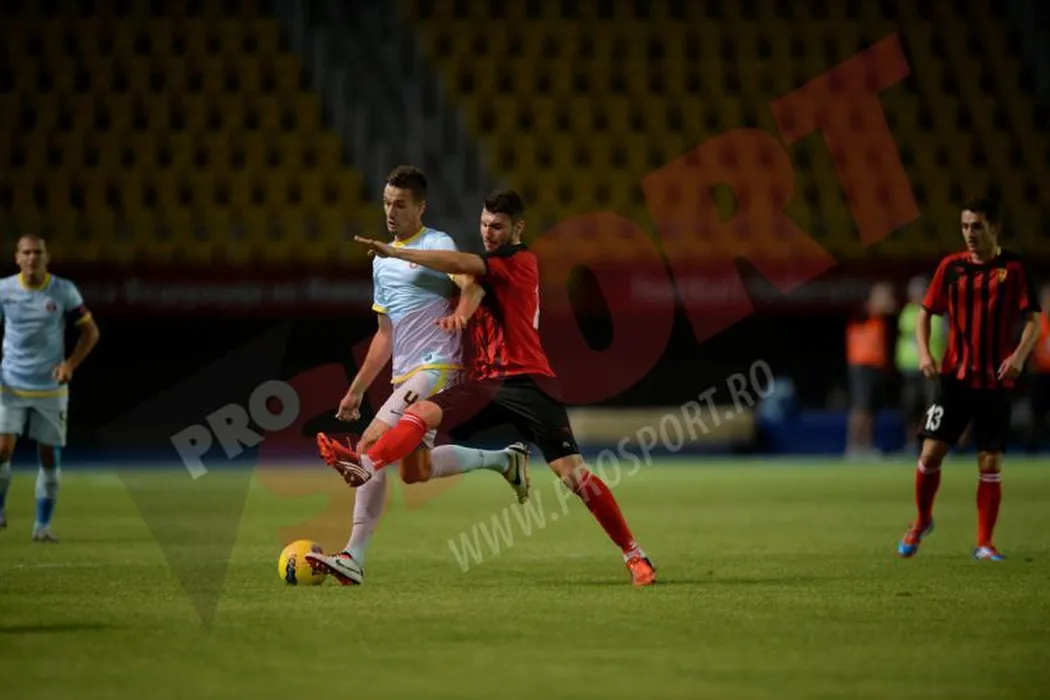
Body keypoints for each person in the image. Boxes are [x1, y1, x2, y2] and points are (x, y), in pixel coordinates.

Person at [317, 189, 656, 587]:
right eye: (483, 224)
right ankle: (371, 464)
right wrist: (460, 313)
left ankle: (634, 554)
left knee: (574, 476)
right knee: (420, 416)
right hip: (485, 384)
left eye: (497, 226)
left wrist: (397, 252)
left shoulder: (518, 260)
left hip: (529, 383)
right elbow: (471, 286)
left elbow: (459, 265)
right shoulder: (487, 268)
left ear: (517, 227)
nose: (488, 232)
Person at [306, 167, 530, 586]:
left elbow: (472, 282)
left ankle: (353, 556)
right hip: (405, 373)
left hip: (437, 366)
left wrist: (461, 313)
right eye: (386, 203)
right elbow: (384, 334)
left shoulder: (436, 243)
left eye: (400, 204)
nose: (391, 212)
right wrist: (356, 389)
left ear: (420, 207)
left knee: (369, 445)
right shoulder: (381, 262)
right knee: (415, 471)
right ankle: (505, 460)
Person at [899, 196, 1041, 561]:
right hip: (955, 380)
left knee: (990, 464)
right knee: (930, 455)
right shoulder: (951, 267)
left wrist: (1018, 357)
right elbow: (924, 312)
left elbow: (1033, 320)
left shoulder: (1013, 268)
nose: (969, 234)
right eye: (964, 226)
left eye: (976, 226)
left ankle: (983, 543)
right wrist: (925, 353)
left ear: (995, 227)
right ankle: (922, 520)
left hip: (996, 382)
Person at [0, 234, 100, 540]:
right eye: (27, 252)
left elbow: (91, 332)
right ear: (17, 257)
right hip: (10, 384)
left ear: (47, 257)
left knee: (48, 456)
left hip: (50, 388)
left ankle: (42, 527)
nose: (32, 257)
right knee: (2, 449)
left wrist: (70, 365)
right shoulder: (4, 290)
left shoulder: (63, 290)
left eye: (38, 252)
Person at [845, 281, 896, 459]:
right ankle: (853, 447)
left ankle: (866, 446)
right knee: (861, 408)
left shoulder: (882, 320)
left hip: (876, 366)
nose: (887, 299)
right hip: (861, 365)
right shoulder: (862, 314)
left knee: (871, 410)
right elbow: (880, 309)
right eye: (882, 295)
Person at [896, 276, 946, 453]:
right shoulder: (908, 313)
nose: (917, 296)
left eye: (921, 292)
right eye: (914, 293)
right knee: (911, 407)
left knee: (932, 407)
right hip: (910, 368)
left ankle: (932, 444)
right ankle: (911, 444)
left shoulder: (937, 313)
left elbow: (943, 338)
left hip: (932, 368)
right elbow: (912, 330)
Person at [1024, 284, 1050, 453]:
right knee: (1037, 412)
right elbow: (1029, 348)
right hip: (1039, 375)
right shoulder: (1038, 322)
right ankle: (1032, 446)